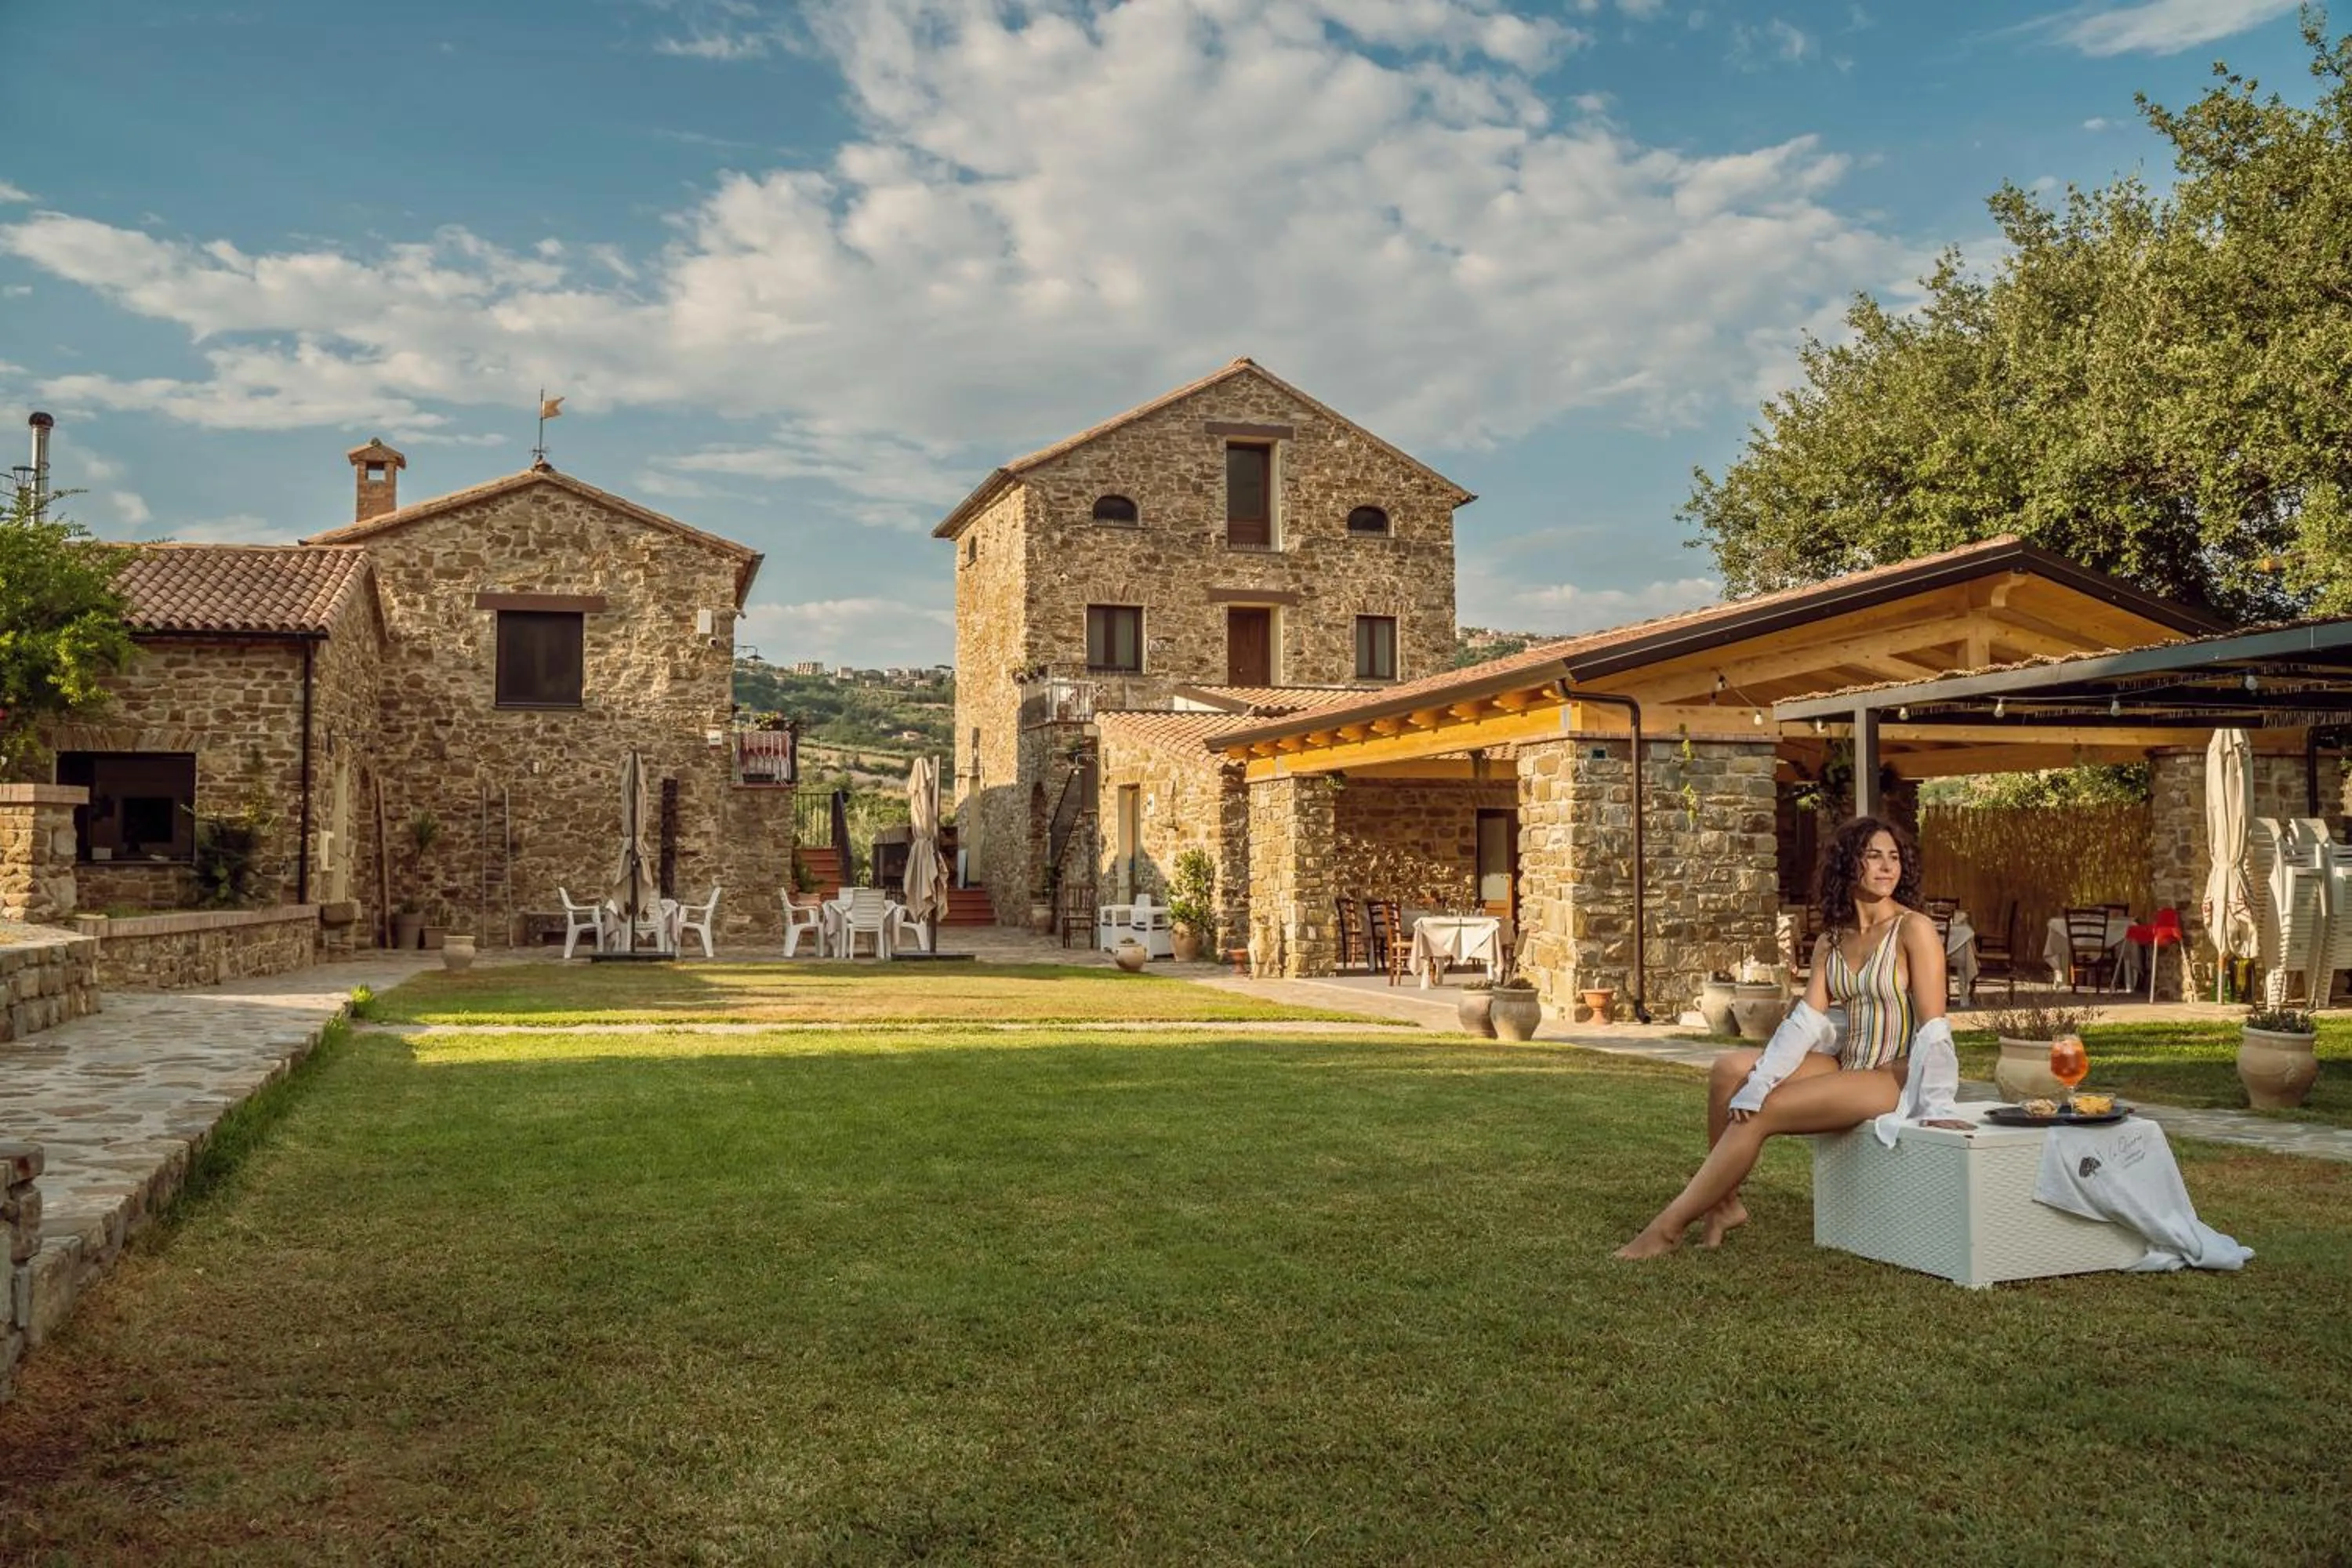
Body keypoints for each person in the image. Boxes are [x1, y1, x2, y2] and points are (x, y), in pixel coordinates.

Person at [1613, 815, 1965, 1260]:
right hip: (1847, 1061)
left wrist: (1936, 1104)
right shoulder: (1832, 940)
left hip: (1891, 1074)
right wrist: (1761, 1077)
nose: (1886, 867)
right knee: (1729, 1071)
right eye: (1873, 855)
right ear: (1848, 864)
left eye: (1893, 857)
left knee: (1764, 1110)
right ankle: (1723, 1206)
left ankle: (1666, 1230)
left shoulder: (1913, 928)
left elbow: (1935, 1024)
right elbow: (1805, 1022)